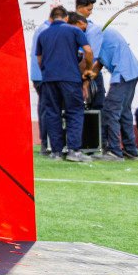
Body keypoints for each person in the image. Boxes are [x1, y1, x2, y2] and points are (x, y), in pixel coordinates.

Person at [36, 11, 93, 162]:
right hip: (70, 78)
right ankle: (74, 151)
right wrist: (88, 68)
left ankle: (56, 152)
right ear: (67, 18)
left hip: (49, 79)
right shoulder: (74, 30)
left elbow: (40, 60)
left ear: (52, 18)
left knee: (52, 113)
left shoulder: (43, 34)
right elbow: (88, 50)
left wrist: (47, 72)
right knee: (74, 112)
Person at [92, 18, 138, 161]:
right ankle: (131, 151)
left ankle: (113, 151)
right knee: (124, 112)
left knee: (110, 110)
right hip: (130, 72)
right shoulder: (101, 33)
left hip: (122, 73)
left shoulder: (92, 33)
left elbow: (90, 59)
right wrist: (88, 77)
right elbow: (98, 64)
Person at [31, 5, 67, 158]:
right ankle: (45, 144)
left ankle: (47, 143)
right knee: (47, 109)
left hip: (41, 74)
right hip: (44, 75)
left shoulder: (43, 29)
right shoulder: (47, 30)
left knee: (46, 108)